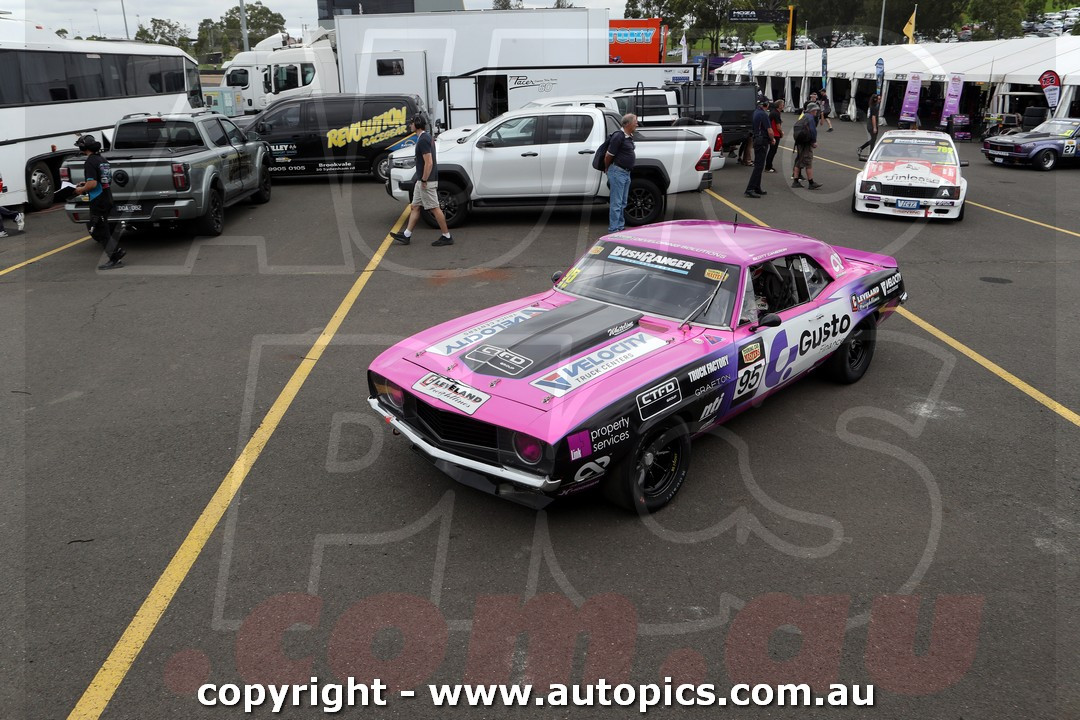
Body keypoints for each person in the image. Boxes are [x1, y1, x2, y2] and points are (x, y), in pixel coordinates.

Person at [391, 115, 454, 247]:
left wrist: (424, 180)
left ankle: (446, 236)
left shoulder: (423, 140)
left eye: (412, 123)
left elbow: (429, 163)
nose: (410, 125)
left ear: (418, 124)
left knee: (435, 208)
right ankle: (406, 235)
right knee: (415, 207)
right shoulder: (424, 137)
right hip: (422, 180)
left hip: (427, 181)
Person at [73, 134, 124, 269]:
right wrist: (86, 183)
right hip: (107, 197)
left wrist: (81, 189)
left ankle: (115, 258)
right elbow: (105, 180)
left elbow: (93, 184)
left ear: (83, 148)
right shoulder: (102, 160)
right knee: (102, 228)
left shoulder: (90, 162)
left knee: (99, 231)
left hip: (98, 200)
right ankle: (117, 252)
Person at [604, 113, 638, 233]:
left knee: (622, 202)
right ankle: (613, 229)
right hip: (618, 172)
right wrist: (607, 168)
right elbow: (609, 155)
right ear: (628, 124)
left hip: (626, 173)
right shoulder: (619, 136)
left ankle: (620, 227)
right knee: (616, 203)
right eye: (635, 122)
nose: (637, 124)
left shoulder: (628, 136)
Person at [744, 98, 774, 199]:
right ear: (765, 104)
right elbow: (769, 130)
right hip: (762, 140)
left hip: (757, 139)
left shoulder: (756, 112)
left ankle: (757, 187)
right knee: (759, 166)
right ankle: (750, 189)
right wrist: (772, 139)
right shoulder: (763, 114)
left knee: (759, 165)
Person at [791, 103, 823, 190]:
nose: (816, 112)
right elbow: (813, 130)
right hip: (806, 142)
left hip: (799, 141)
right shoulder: (810, 118)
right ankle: (811, 182)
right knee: (808, 162)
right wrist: (814, 141)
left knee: (799, 160)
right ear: (812, 110)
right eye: (815, 110)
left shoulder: (803, 116)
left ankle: (796, 181)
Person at [858, 93, 881, 158]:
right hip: (871, 125)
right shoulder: (874, 107)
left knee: (873, 139)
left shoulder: (874, 106)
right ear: (875, 99)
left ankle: (861, 148)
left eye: (880, 99)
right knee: (873, 140)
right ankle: (871, 154)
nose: (880, 100)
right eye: (879, 99)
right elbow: (873, 117)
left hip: (871, 124)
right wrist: (874, 127)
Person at [765, 99, 785, 173]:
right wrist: (781, 133)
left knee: (772, 150)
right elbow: (778, 127)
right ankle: (768, 166)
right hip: (775, 134)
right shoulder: (776, 113)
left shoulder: (775, 112)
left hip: (773, 133)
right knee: (772, 151)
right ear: (779, 106)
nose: (783, 106)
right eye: (782, 105)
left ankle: (769, 165)